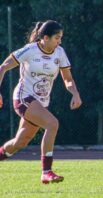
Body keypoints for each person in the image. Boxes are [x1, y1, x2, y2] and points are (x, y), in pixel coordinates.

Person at [0, 20, 82, 184]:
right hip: (23, 98)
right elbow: (3, 67)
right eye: (57, 38)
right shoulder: (30, 50)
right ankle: (46, 171)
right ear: (45, 37)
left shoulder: (59, 52)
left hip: (41, 102)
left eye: (61, 38)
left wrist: (75, 93)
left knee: (19, 143)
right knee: (52, 123)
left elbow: (68, 79)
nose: (59, 41)